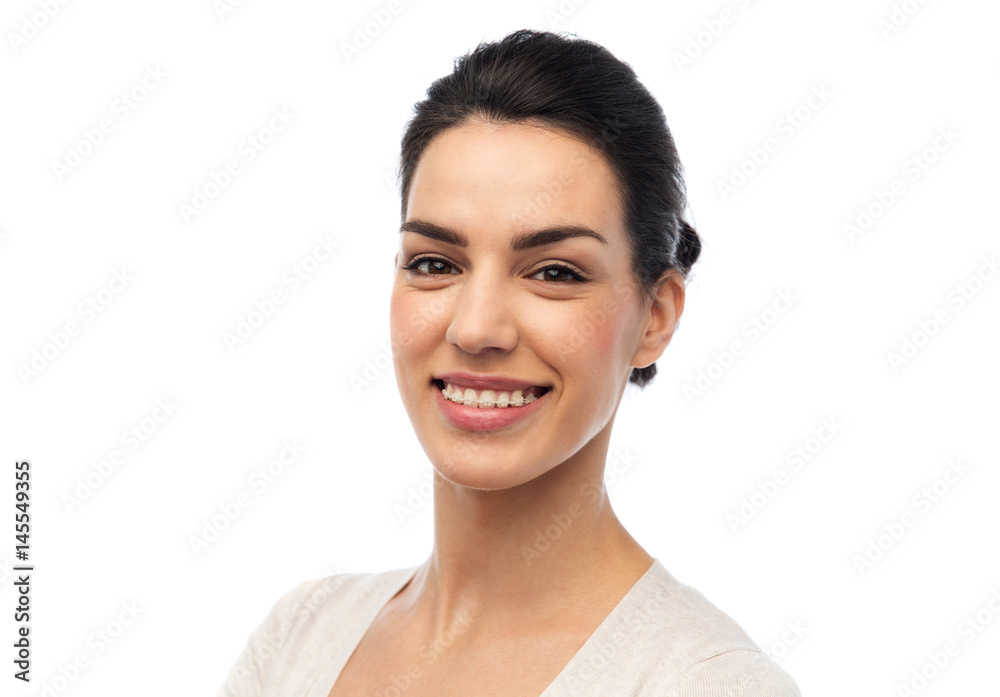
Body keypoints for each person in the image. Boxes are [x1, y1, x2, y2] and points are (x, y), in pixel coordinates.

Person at [217, 29, 801, 696]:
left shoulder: (702, 682)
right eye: (435, 263)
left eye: (552, 271)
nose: (475, 327)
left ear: (656, 315)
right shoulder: (300, 637)